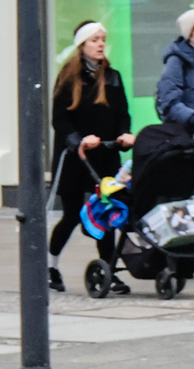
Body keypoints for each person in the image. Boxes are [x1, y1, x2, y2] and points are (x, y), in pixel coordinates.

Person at [47, 20, 134, 291]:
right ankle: (51, 266)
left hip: (105, 154)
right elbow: (60, 119)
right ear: (82, 45)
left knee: (107, 213)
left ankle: (107, 269)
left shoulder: (113, 76)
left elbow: (122, 114)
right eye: (94, 40)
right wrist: (78, 141)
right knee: (72, 215)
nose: (100, 44)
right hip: (77, 158)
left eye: (102, 39)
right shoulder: (68, 76)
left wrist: (124, 135)